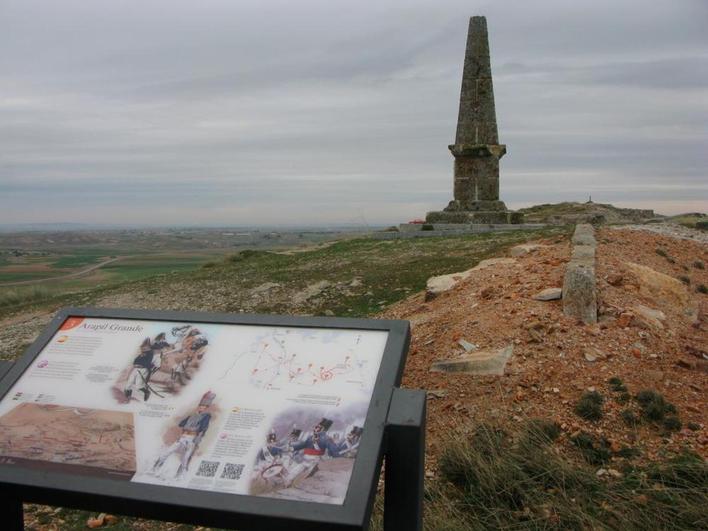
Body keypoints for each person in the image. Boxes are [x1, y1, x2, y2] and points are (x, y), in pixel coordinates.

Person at [152, 391, 215, 478]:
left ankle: (180, 476)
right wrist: (188, 423)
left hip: (192, 438)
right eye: (200, 406)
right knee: (168, 451)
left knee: (185, 458)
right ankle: (155, 467)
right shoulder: (192, 415)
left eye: (204, 406)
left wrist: (196, 440)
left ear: (206, 408)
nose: (201, 408)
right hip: (183, 437)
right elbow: (181, 424)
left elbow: (203, 429)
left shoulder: (206, 416)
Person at [124, 332, 173, 401]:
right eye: (143, 347)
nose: (143, 349)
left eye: (145, 347)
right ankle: (127, 396)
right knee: (129, 383)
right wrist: (137, 363)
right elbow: (135, 360)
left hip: (144, 369)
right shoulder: (145, 352)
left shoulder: (151, 354)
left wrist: (146, 366)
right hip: (137, 368)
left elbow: (148, 362)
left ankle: (146, 391)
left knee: (139, 385)